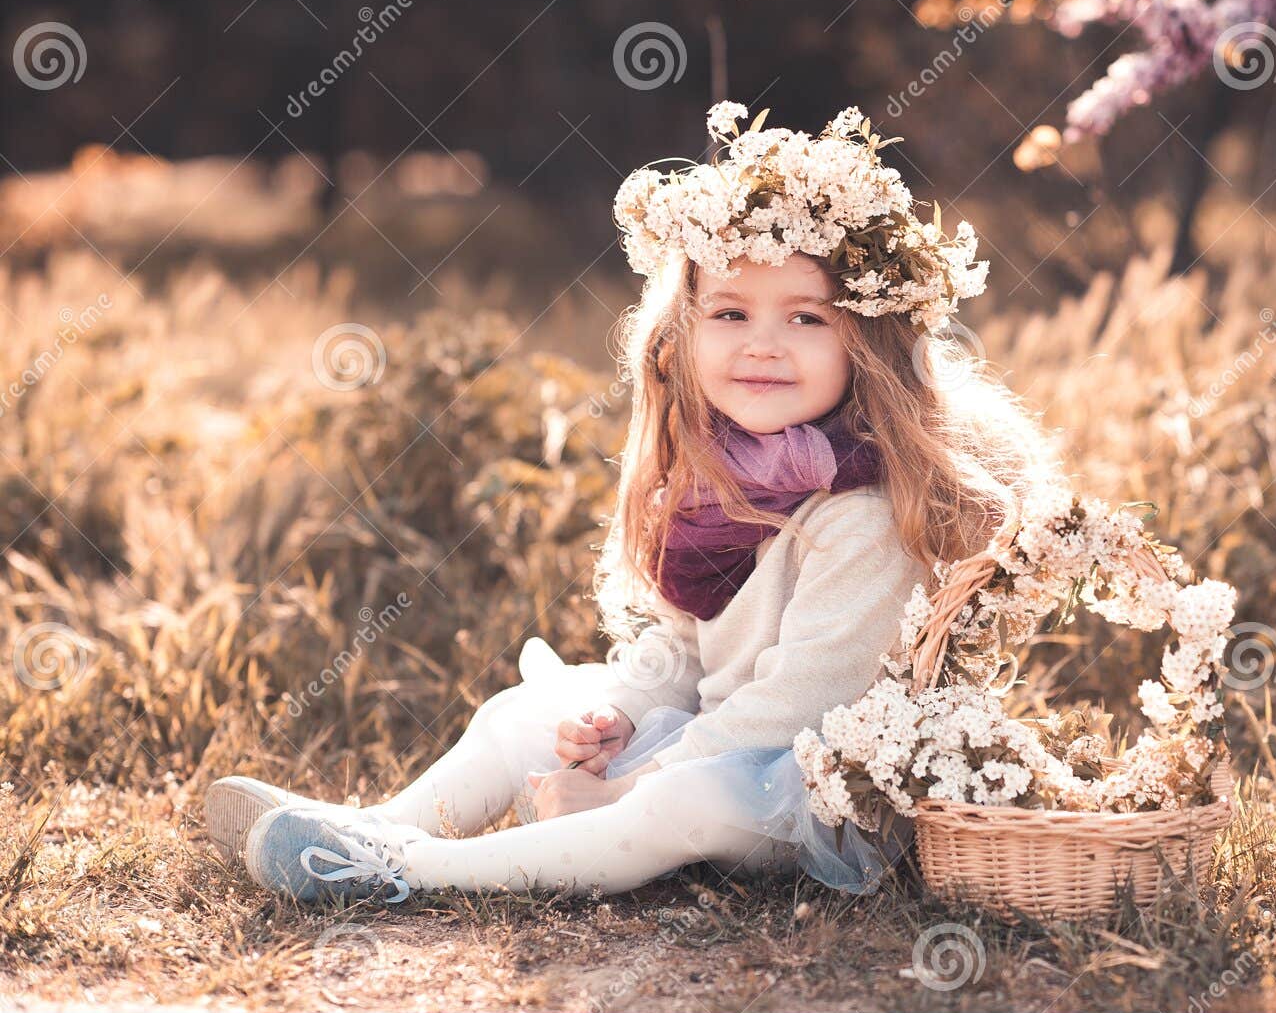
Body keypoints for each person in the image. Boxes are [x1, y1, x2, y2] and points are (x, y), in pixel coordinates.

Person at [208, 101, 1060, 904]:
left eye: (807, 318)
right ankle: (372, 828)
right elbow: (682, 652)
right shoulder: (719, 475)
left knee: (674, 805)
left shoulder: (868, 511)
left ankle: (416, 869)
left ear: (866, 341)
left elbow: (795, 708)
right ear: (684, 333)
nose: (762, 344)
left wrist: (620, 787)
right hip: (719, 742)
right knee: (525, 714)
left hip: (815, 784)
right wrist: (616, 716)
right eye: (730, 311)